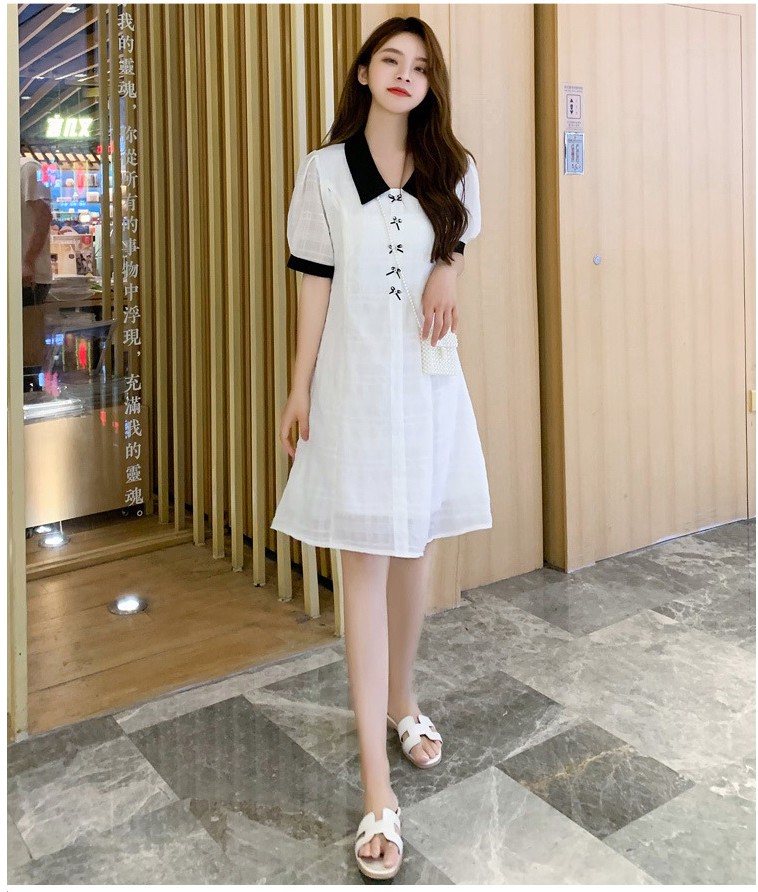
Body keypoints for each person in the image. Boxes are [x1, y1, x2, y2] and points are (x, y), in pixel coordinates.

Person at [270, 16, 491, 880]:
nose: (405, 74)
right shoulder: (325, 173)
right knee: (364, 564)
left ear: (431, 84)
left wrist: (449, 266)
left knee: (415, 552)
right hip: (356, 389)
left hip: (428, 388)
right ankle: (377, 790)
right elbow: (314, 289)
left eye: (420, 66)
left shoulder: (453, 169)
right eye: (390, 60)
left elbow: (456, 246)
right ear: (363, 73)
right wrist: (299, 386)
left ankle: (404, 700)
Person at [20, 142, 54, 391]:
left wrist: (28, 260)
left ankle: (29, 399)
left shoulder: (28, 168)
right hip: (18, 275)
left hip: (27, 278)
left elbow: (44, 216)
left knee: (26, 355)